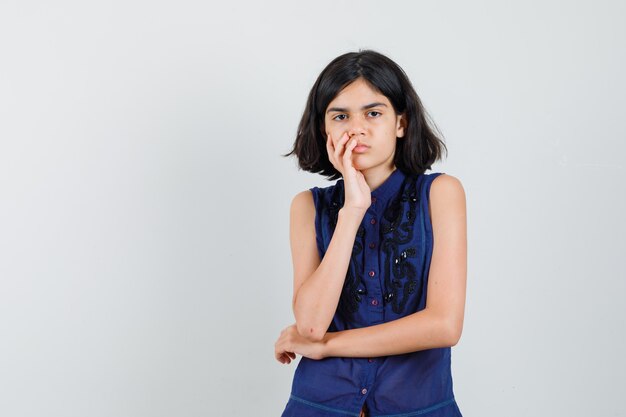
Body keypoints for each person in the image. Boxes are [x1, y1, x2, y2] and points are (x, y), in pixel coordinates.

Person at [274, 49, 467, 417]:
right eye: (340, 115)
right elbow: (311, 324)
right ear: (324, 128)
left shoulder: (441, 194)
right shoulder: (307, 207)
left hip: (418, 406)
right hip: (319, 404)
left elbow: (444, 325)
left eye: (373, 113)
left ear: (401, 123)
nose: (355, 128)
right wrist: (353, 211)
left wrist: (328, 346)